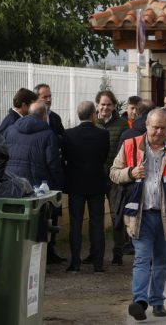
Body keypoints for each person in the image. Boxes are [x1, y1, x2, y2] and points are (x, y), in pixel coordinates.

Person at [110, 108, 166, 321]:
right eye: (155, 127)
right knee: (141, 259)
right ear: (146, 126)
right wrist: (130, 173)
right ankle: (140, 301)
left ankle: (157, 301)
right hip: (139, 215)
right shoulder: (130, 145)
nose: (159, 132)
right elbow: (114, 173)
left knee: (161, 262)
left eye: (163, 128)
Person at [3, 101, 65, 263]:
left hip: (13, 184)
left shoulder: (10, 130)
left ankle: (15, 257)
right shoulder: (48, 134)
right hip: (38, 188)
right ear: (44, 116)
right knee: (39, 226)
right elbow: (53, 163)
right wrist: (59, 184)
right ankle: (38, 260)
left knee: (17, 224)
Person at [62, 101, 110, 273]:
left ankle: (75, 263)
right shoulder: (103, 135)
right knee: (97, 223)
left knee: (75, 223)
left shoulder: (68, 134)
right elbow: (104, 157)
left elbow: (65, 156)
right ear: (93, 115)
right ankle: (98, 264)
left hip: (75, 183)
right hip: (96, 182)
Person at [94, 90, 130, 265]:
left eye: (108, 104)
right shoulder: (92, 123)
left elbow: (123, 151)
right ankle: (95, 252)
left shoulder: (123, 125)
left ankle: (118, 251)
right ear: (97, 105)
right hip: (96, 176)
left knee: (117, 215)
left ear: (114, 106)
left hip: (116, 177)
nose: (105, 107)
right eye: (102, 104)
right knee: (97, 215)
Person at [34, 83, 65, 262]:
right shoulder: (32, 119)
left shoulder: (55, 118)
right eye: (44, 97)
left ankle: (51, 251)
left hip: (52, 174)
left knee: (53, 214)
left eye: (50, 96)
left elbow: (62, 138)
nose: (48, 100)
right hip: (38, 174)